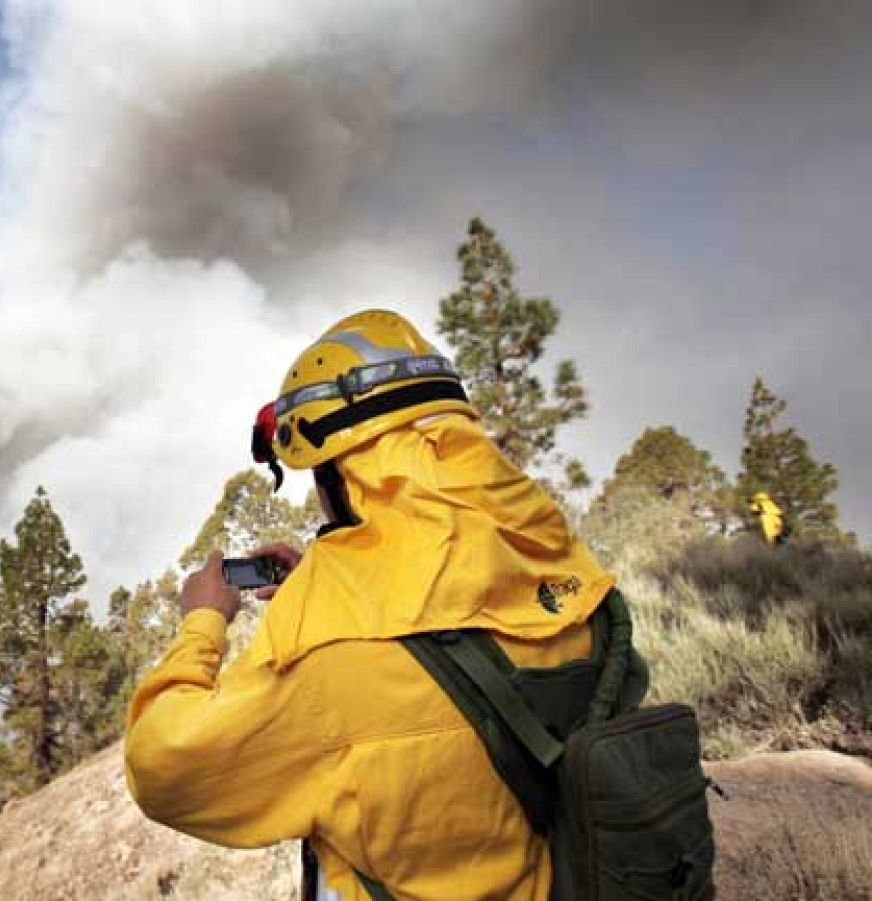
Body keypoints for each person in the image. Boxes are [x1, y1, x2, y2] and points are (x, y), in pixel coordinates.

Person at [124, 310, 622, 899]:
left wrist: (202, 621)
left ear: (341, 468)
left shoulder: (327, 651)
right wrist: (352, 589)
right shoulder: (551, 556)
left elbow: (162, 766)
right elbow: (453, 609)